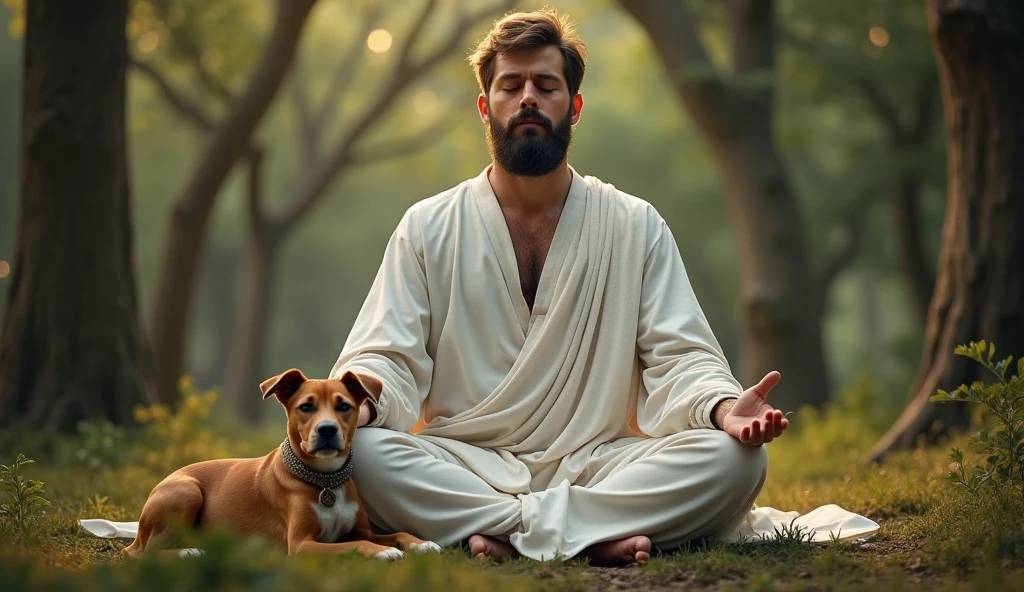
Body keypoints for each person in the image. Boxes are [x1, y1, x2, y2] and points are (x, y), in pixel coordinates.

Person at [330, 9, 789, 565]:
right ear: (486, 107)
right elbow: (388, 357)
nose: (528, 98)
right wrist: (364, 406)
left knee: (738, 460)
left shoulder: (634, 225)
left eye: (546, 85)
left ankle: (504, 533)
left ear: (573, 107)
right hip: (463, 462)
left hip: (599, 463)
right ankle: (590, 533)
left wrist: (720, 409)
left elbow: (680, 357)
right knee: (365, 452)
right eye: (511, 85)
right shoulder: (427, 227)